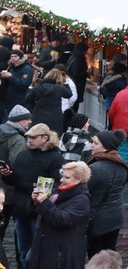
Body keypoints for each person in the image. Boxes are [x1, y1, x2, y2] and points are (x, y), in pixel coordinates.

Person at [4, 122, 64, 266]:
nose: (29, 140)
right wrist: (7, 175)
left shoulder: (55, 158)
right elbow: (15, 181)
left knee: (38, 251)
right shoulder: (23, 155)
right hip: (20, 210)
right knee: (23, 251)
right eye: (28, 137)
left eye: (33, 137)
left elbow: (58, 184)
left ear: (44, 138)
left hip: (39, 212)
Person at [28, 160, 90, 269]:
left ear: (79, 179)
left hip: (62, 253)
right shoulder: (59, 191)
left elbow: (63, 220)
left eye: (66, 177)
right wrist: (35, 202)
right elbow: (43, 213)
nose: (61, 180)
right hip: (48, 246)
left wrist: (44, 202)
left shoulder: (82, 200)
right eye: (62, 176)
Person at [86, 129, 128, 257]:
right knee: (110, 254)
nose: (91, 145)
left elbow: (85, 191)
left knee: (96, 257)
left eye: (95, 143)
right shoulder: (122, 166)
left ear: (106, 147)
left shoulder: (95, 169)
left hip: (98, 220)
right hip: (115, 217)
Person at [25, 67, 72, 134]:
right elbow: (69, 94)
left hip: (38, 116)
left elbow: (28, 99)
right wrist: (65, 83)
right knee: (53, 138)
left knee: (37, 136)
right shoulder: (60, 88)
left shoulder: (38, 87)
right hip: (54, 117)